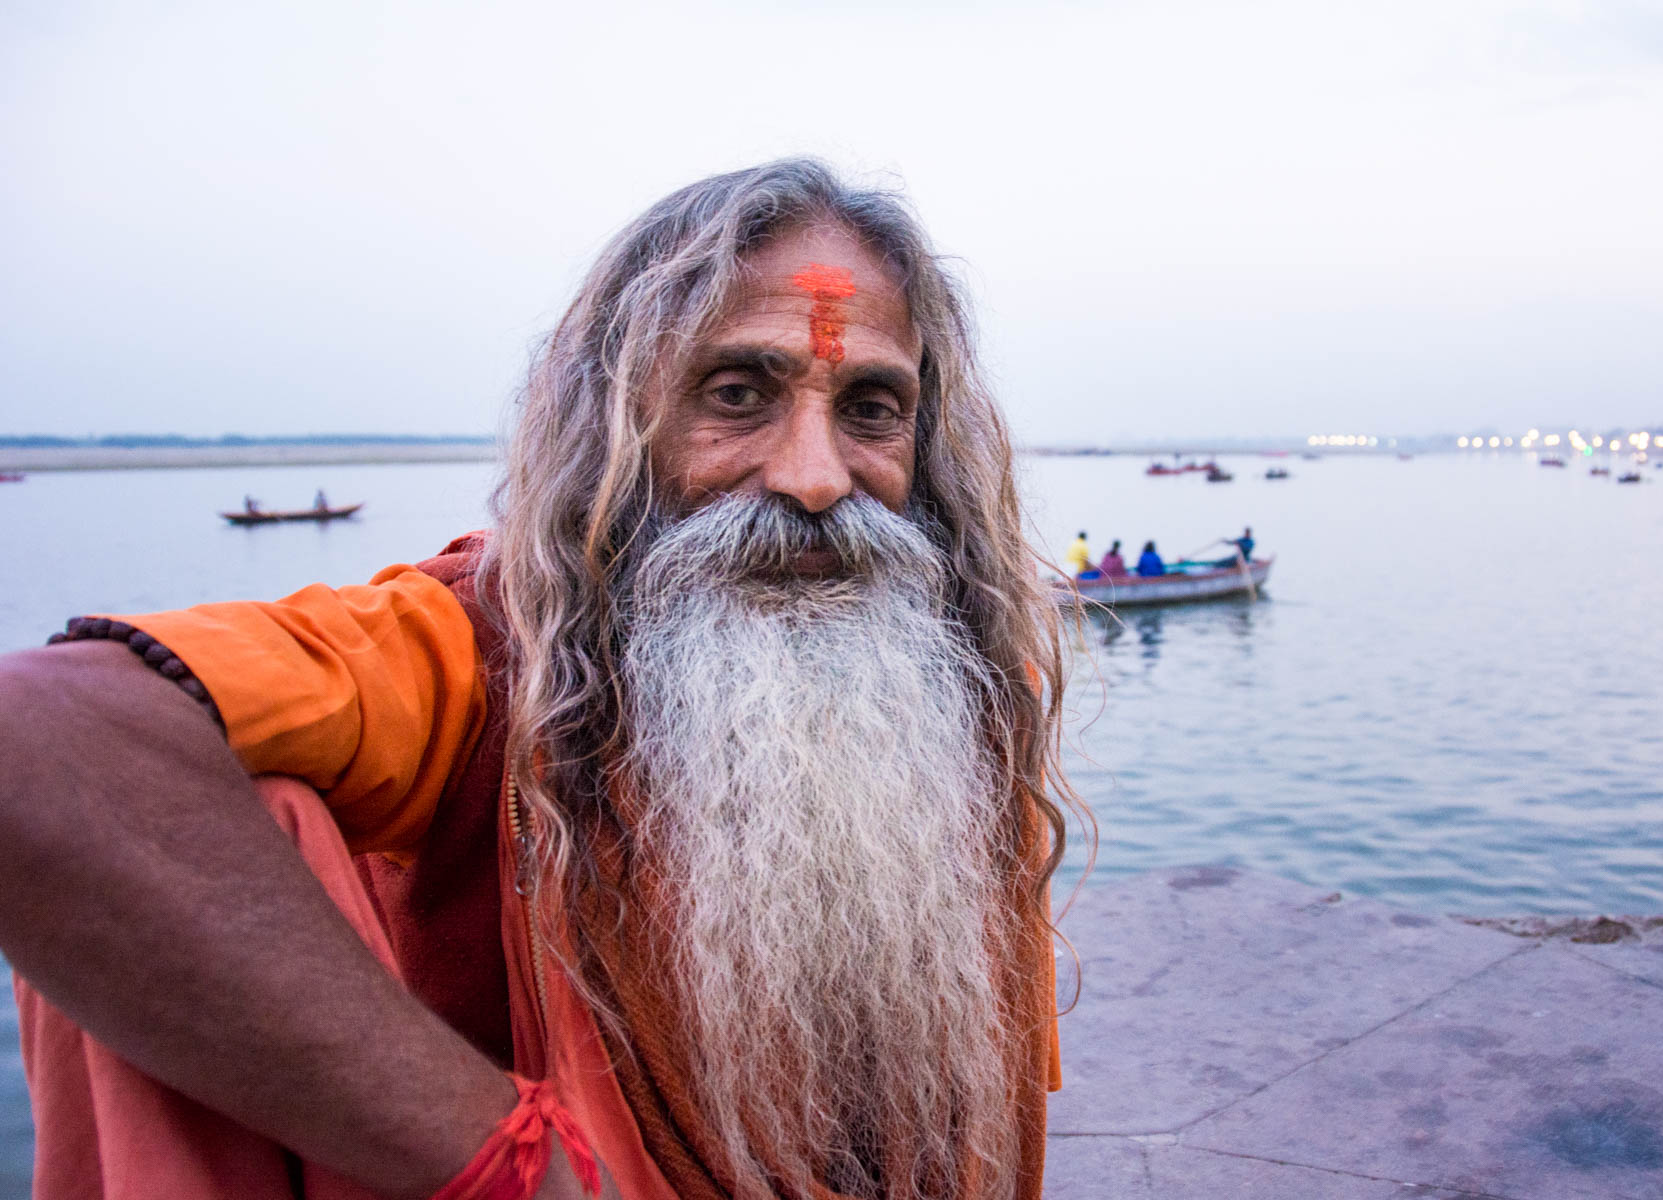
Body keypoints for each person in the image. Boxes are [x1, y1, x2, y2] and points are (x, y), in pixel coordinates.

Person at [0, 161, 1081, 1200]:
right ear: (617, 421)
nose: (814, 478)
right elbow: (36, 738)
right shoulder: (473, 647)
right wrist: (512, 1163)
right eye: (739, 392)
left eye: (872, 409)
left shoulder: (957, 677)